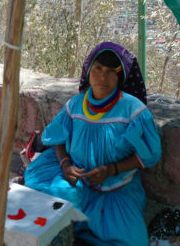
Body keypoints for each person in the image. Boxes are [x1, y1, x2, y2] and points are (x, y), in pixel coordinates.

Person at [24, 41, 161, 246]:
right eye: (97, 68)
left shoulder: (134, 111)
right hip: (77, 179)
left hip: (115, 188)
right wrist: (65, 165)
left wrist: (111, 169)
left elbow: (147, 155)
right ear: (88, 70)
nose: (103, 77)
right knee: (44, 203)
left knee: (134, 241)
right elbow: (59, 140)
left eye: (110, 71)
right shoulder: (76, 105)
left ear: (120, 76)